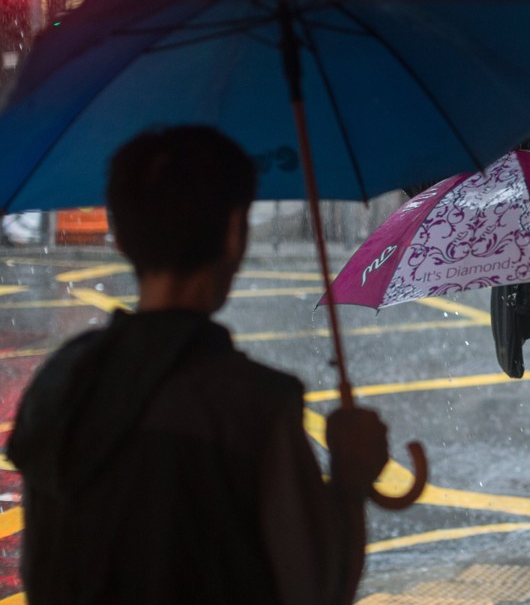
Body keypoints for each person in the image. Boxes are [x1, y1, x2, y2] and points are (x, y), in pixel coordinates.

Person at [8, 126, 390, 605]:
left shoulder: (60, 381)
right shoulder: (253, 405)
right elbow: (316, 589)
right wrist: (351, 475)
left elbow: (41, 570)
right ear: (234, 233)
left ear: (121, 237)